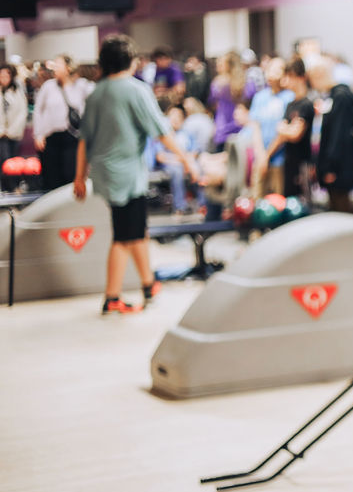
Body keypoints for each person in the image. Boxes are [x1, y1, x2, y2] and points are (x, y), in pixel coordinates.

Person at [73, 34, 200, 314]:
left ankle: (147, 283)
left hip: (105, 176)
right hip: (127, 177)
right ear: (130, 61)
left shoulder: (97, 93)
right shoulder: (136, 90)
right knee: (124, 237)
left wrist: (79, 177)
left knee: (137, 231)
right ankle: (112, 296)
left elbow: (84, 140)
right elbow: (163, 133)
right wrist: (188, 162)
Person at [33, 54, 93, 191]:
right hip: (51, 138)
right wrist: (38, 134)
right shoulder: (48, 87)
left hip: (72, 138)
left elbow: (94, 98)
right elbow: (38, 110)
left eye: (58, 64)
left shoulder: (80, 85)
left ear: (68, 68)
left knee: (70, 174)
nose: (54, 68)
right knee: (51, 177)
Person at [309, 59, 353, 213]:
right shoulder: (331, 97)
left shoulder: (340, 97)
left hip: (339, 167)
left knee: (341, 208)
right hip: (335, 165)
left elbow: (339, 135)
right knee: (335, 206)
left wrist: (331, 166)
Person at [260, 58, 314, 199]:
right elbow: (281, 133)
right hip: (288, 162)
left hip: (302, 163)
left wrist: (285, 129)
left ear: (300, 77)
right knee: (288, 199)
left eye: (289, 76)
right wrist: (267, 156)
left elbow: (295, 134)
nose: (285, 80)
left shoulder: (306, 104)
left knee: (302, 202)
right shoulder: (291, 105)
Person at [247, 57, 293, 198]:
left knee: (278, 199)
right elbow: (255, 127)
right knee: (257, 197)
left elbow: (284, 131)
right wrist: (261, 155)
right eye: (269, 69)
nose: (271, 73)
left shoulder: (289, 97)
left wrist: (267, 156)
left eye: (277, 69)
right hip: (260, 157)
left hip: (279, 158)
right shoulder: (259, 97)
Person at [209, 51, 256, 152]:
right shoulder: (248, 83)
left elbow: (214, 104)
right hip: (242, 130)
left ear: (227, 66)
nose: (217, 66)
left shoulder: (218, 84)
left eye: (220, 63)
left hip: (223, 131)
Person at [0, 63, 28, 179]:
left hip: (14, 133)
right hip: (1, 134)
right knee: (4, 159)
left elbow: (22, 112)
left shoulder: (17, 92)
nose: (4, 79)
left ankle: (11, 186)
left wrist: (11, 130)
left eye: (6, 76)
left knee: (13, 161)